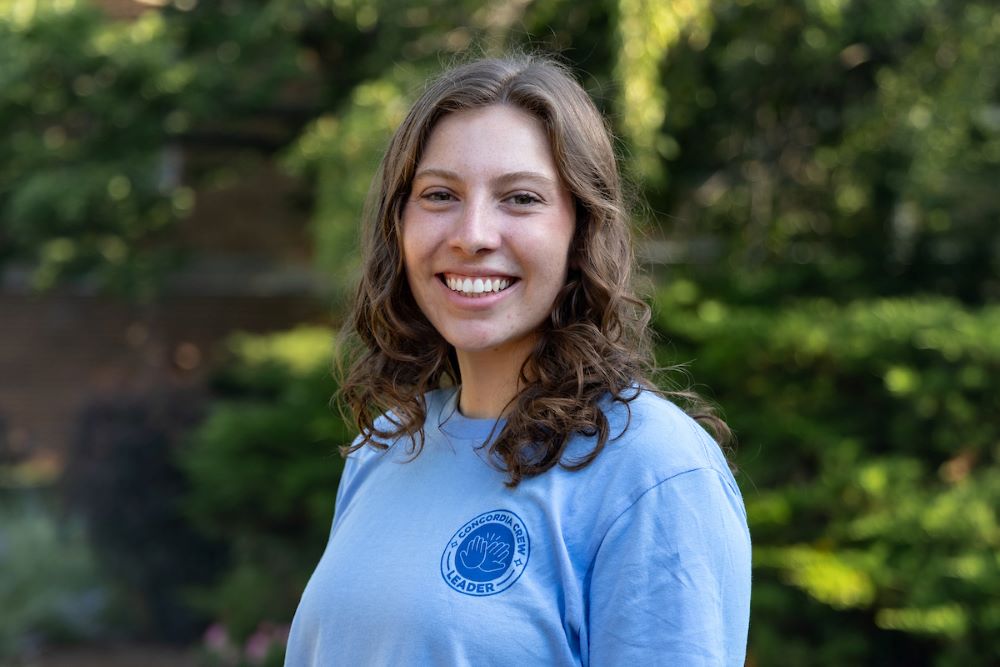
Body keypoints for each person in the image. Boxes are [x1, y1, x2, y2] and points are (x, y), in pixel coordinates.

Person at [285, 54, 751, 666]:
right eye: (440, 194)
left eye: (521, 198)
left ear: (581, 230)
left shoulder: (653, 472)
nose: (472, 233)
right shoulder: (387, 448)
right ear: (398, 224)